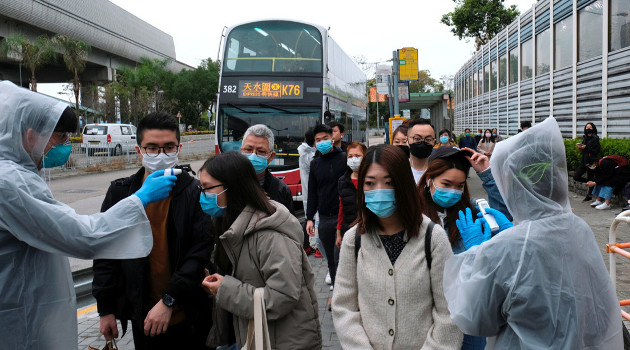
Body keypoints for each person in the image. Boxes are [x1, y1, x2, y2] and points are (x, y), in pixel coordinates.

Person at [0, 81, 177, 349]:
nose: (63, 145)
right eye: (59, 137)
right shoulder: (9, 182)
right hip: (18, 312)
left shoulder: (20, 174)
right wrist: (139, 199)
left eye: (169, 148)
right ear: (30, 135)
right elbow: (84, 236)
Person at [443, 116, 623, 349]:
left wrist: (477, 253)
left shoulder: (507, 248)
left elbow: (474, 319)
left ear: (513, 185)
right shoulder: (580, 228)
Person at [93, 112, 213, 349]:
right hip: (143, 317)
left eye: (168, 147)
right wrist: (105, 309)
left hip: (188, 314)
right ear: (139, 151)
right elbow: (106, 252)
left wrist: (168, 301)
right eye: (152, 148)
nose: (161, 154)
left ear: (178, 149)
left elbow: (199, 253)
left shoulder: (195, 192)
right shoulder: (121, 193)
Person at [332, 144, 463, 349]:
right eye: (370, 183)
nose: (379, 191)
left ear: (404, 185)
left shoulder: (433, 238)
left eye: (389, 182)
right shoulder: (353, 240)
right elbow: (344, 307)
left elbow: (449, 312)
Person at [199, 152, 322, 349]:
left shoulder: (270, 235)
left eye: (207, 188)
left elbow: (282, 297)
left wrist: (225, 289)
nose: (202, 195)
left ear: (233, 188)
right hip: (247, 335)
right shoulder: (228, 223)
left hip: (280, 340)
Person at [418, 146, 512, 350]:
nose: (453, 191)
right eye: (446, 184)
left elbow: (500, 215)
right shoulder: (413, 216)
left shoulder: (468, 213)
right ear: (429, 180)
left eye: (460, 185)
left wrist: (485, 173)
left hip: (467, 314)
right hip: (427, 314)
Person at [305, 123, 347, 289]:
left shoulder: (344, 158)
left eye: (325, 138)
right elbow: (313, 193)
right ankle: (337, 292)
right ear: (314, 143)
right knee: (331, 259)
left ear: (332, 138)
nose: (321, 142)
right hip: (325, 219)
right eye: (317, 140)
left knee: (344, 257)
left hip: (344, 217)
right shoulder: (315, 163)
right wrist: (309, 218)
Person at [239, 124, 293, 213]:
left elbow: (290, 225)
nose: (253, 155)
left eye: (261, 151)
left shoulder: (281, 190)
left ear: (271, 157)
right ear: (241, 151)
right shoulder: (227, 185)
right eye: (248, 149)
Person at [336, 142, 368, 249]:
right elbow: (341, 208)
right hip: (348, 229)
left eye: (358, 156)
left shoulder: (371, 179)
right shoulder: (343, 181)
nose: (354, 159)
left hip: (368, 230)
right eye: (350, 156)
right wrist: (338, 232)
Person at [298, 127, 317, 255]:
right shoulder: (310, 154)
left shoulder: (305, 151)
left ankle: (307, 245)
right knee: (311, 218)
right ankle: (311, 245)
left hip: (309, 189)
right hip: (312, 189)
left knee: (309, 216)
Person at [573, 122, 601, 202]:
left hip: (591, 162)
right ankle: (590, 182)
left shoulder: (595, 139)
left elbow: (596, 151)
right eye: (587, 127)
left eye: (590, 128)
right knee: (576, 176)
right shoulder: (585, 138)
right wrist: (581, 147)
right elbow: (584, 151)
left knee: (590, 176)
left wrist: (586, 147)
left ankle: (589, 196)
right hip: (584, 161)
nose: (588, 129)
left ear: (593, 129)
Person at [407, 118, 436, 184]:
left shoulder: (438, 171)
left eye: (428, 139)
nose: (422, 142)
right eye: (417, 139)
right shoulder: (398, 169)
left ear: (434, 142)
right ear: (407, 140)